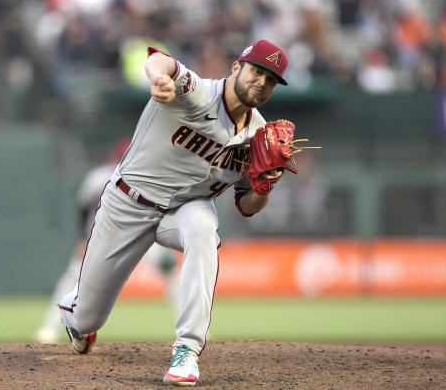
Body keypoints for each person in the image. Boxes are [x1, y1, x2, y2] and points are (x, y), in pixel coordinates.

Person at [57, 39, 298, 386]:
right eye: (257, 71)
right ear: (236, 68)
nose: (261, 82)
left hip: (184, 211)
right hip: (129, 204)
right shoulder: (198, 92)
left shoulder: (259, 136)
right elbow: (162, 61)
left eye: (271, 80)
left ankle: (187, 350)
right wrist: (158, 79)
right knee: (87, 319)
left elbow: (246, 207)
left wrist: (265, 186)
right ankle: (75, 312)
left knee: (203, 228)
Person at [35, 140, 180, 344]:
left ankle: (188, 329)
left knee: (170, 272)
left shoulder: (149, 176)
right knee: (73, 277)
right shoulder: (99, 177)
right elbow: (84, 209)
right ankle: (50, 327)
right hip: (102, 236)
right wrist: (82, 238)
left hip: (144, 232)